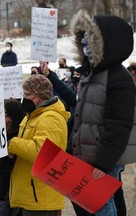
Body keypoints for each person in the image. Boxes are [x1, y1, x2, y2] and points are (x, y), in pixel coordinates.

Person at [69, 10, 135, 216]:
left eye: (92, 37)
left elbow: (120, 124)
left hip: (103, 158)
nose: (86, 43)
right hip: (86, 155)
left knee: (102, 204)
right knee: (89, 203)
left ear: (107, 41)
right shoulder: (92, 74)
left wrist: (103, 163)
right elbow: (81, 115)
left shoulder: (119, 78)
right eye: (84, 37)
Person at [8, 74, 70, 216]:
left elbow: (42, 153)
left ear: (40, 95)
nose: (25, 99)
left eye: (28, 95)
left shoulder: (51, 118)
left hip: (41, 199)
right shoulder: (34, 115)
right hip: (31, 194)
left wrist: (12, 144)